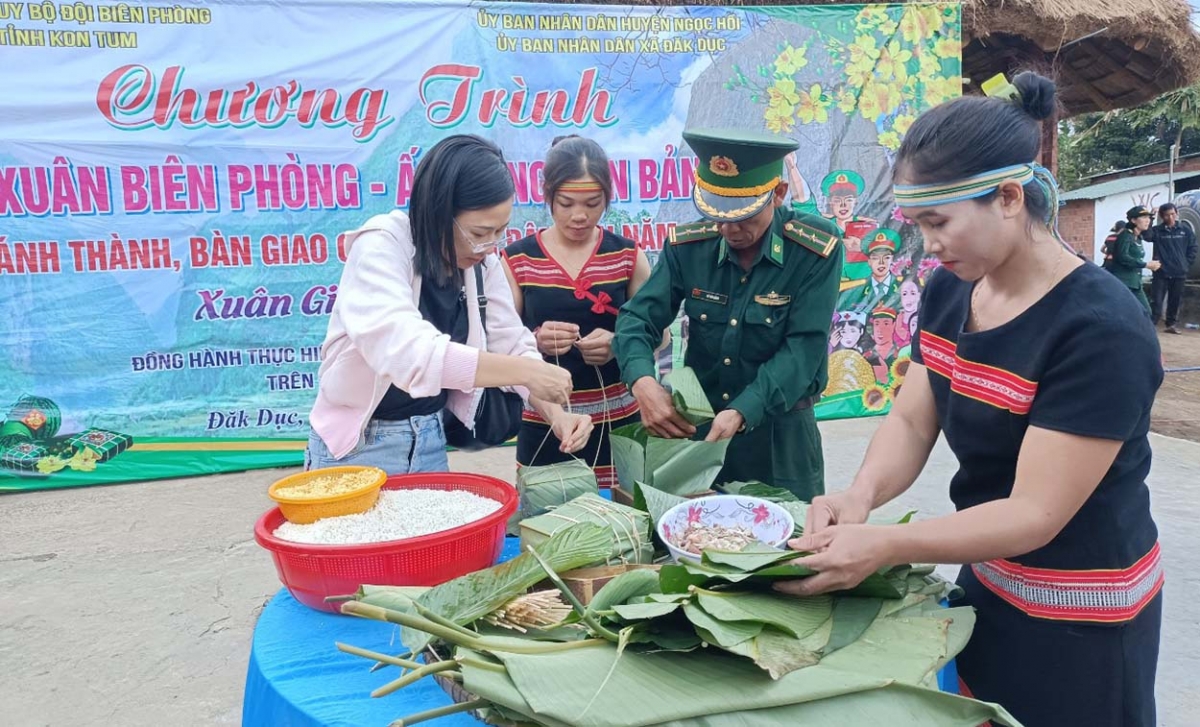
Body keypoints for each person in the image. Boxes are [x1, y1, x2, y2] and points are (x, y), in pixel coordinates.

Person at [776, 72, 1163, 727]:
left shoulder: (1101, 328)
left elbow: (1036, 512)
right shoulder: (952, 291)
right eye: (917, 223)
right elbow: (911, 416)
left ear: (1009, 197)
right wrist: (860, 496)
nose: (928, 244)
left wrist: (880, 546)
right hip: (988, 580)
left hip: (1082, 616)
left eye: (938, 222)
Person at [305, 135, 592, 474]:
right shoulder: (380, 248)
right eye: (480, 232)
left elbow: (511, 342)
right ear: (439, 213)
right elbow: (411, 353)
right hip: (359, 447)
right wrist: (531, 372)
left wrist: (557, 415)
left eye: (499, 231)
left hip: (429, 436)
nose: (489, 246)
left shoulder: (483, 263)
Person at [614, 128, 842, 500]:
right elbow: (637, 320)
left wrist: (744, 409)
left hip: (779, 438)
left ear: (778, 194)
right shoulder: (689, 247)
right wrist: (642, 383)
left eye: (744, 216)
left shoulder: (814, 248)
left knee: (788, 543)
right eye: (716, 215)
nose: (728, 229)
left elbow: (804, 347)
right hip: (703, 434)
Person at [502, 136, 651, 487]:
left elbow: (659, 333)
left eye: (593, 203)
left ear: (608, 198)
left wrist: (621, 342)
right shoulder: (518, 260)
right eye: (566, 203)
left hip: (619, 421)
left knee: (624, 520)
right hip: (545, 420)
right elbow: (503, 341)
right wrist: (536, 340)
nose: (579, 215)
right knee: (547, 520)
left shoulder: (627, 256)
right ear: (548, 195)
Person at [1143, 202, 1197, 333]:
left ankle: (1171, 324)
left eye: (1173, 214)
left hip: (1179, 272)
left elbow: (1193, 248)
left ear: (1177, 214)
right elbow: (1147, 236)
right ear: (1162, 216)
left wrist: (1186, 263)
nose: (1170, 218)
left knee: (1175, 299)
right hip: (1161, 272)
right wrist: (1151, 217)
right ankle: (1152, 324)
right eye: (1167, 215)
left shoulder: (1185, 231)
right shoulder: (1157, 231)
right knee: (1157, 300)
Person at [1109, 206, 1161, 317]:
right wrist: (1146, 265)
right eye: (1144, 217)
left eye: (1149, 217)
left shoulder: (1138, 237)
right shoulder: (1126, 236)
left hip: (1135, 283)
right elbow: (1123, 257)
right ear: (1133, 220)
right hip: (1123, 282)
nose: (1148, 220)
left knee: (1145, 312)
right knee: (1123, 313)